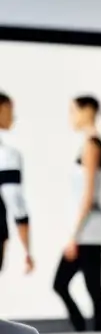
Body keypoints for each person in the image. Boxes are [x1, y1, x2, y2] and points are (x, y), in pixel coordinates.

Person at [54, 95, 101, 331]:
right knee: (89, 287)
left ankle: (88, 332)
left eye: (73, 111)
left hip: (90, 229)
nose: (71, 117)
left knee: (80, 286)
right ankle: (86, 331)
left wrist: (74, 236)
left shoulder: (91, 145)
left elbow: (88, 197)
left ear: (87, 111)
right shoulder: (90, 143)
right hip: (90, 228)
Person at [0, 93, 33, 275]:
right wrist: (27, 250)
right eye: (10, 110)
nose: (13, 116)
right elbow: (14, 200)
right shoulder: (7, 155)